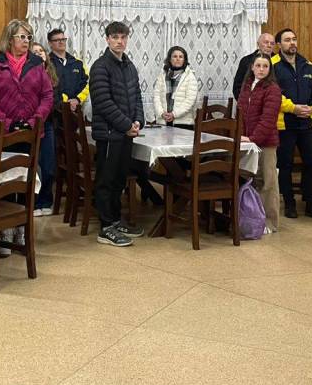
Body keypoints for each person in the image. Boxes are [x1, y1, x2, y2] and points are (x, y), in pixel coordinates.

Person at [0, 19, 54, 256]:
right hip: (4, 133)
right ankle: (4, 232)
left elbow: (47, 96)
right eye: (22, 36)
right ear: (10, 39)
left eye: (29, 37)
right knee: (3, 183)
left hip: (30, 133)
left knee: (25, 182)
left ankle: (21, 227)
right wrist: (6, 122)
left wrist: (34, 121)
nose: (26, 41)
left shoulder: (37, 65)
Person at [89, 21, 145, 247]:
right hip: (110, 134)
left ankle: (115, 220)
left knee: (120, 179)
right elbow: (103, 102)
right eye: (115, 37)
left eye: (123, 37)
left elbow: (137, 96)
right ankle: (105, 228)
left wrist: (138, 121)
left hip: (126, 133)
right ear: (107, 39)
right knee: (106, 180)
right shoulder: (100, 67)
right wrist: (125, 125)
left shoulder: (129, 66)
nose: (120, 41)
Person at [272, 28, 312, 221]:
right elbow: (272, 94)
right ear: (279, 44)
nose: (292, 43)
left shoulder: (308, 65)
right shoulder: (273, 65)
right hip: (285, 124)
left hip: (307, 123)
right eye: (287, 40)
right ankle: (289, 204)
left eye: (294, 39)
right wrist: (293, 108)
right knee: (285, 165)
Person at [237, 53, 282, 232]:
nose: (261, 69)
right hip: (247, 141)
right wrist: (241, 135)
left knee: (268, 182)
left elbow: (268, 119)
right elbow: (240, 112)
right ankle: (253, 218)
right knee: (251, 179)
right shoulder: (247, 85)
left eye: (265, 66)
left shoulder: (273, 89)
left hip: (265, 142)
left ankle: (270, 222)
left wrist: (253, 138)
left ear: (270, 69)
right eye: (258, 66)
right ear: (252, 67)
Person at [30, 41, 60, 216]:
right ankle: (33, 203)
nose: (39, 53)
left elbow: (55, 101)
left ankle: (46, 201)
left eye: (41, 51)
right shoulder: (28, 74)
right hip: (31, 125)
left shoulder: (52, 76)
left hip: (47, 124)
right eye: (34, 52)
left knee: (48, 166)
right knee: (34, 167)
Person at [152, 46, 200, 127]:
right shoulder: (162, 75)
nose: (178, 59)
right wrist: (161, 113)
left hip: (183, 123)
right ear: (170, 59)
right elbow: (156, 96)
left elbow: (189, 101)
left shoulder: (190, 77)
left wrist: (174, 114)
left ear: (184, 60)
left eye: (180, 57)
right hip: (163, 121)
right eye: (175, 56)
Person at [47, 29, 89, 113]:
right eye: (57, 40)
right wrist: (63, 103)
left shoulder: (78, 63)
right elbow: (46, 87)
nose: (61, 42)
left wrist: (77, 99)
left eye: (63, 39)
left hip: (75, 110)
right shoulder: (46, 63)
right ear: (50, 43)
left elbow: (87, 83)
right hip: (53, 112)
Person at [232, 32, 275, 99]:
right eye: (266, 42)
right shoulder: (246, 61)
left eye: (272, 43)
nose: (269, 45)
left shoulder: (278, 61)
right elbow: (237, 87)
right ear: (258, 44)